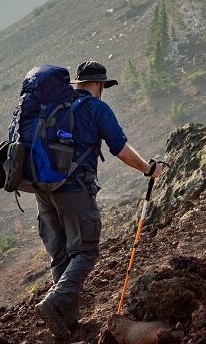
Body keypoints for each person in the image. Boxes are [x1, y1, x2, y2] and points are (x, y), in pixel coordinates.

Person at [33, 61, 165, 339]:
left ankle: (67, 326)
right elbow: (120, 148)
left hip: (42, 190)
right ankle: (54, 303)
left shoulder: (53, 107)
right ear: (100, 85)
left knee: (62, 255)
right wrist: (148, 169)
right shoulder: (96, 108)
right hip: (74, 189)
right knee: (85, 252)